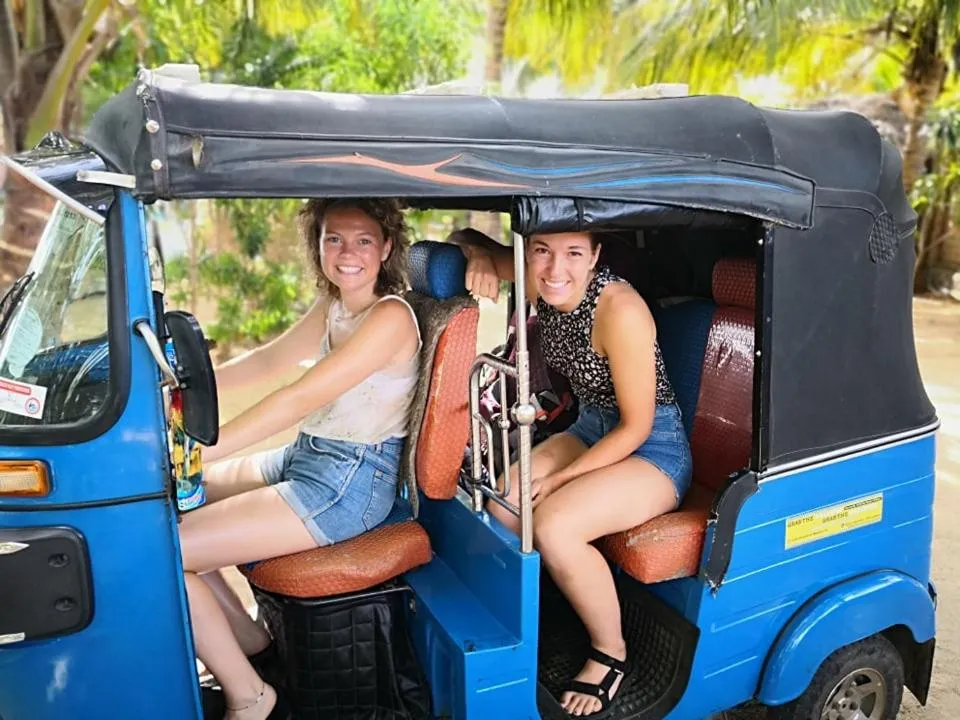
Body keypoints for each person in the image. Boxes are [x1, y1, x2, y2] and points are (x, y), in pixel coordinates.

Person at [178, 198, 422, 720]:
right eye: (334, 238)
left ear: (386, 248)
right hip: (307, 457)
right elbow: (271, 358)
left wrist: (200, 445)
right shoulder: (335, 304)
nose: (347, 252)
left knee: (166, 554)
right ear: (318, 244)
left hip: (347, 484)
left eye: (362, 240)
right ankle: (252, 647)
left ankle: (251, 697)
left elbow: (297, 396)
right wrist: (179, 393)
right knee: (178, 500)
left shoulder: (390, 318)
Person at [450, 227, 692, 717]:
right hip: (591, 426)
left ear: (595, 255)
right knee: (505, 501)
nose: (556, 268)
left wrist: (562, 479)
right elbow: (463, 240)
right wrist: (472, 254)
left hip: (652, 448)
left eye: (573, 253)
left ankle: (611, 654)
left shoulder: (620, 310)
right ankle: (547, 618)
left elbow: (637, 425)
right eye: (542, 251)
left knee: (557, 526)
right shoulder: (541, 278)